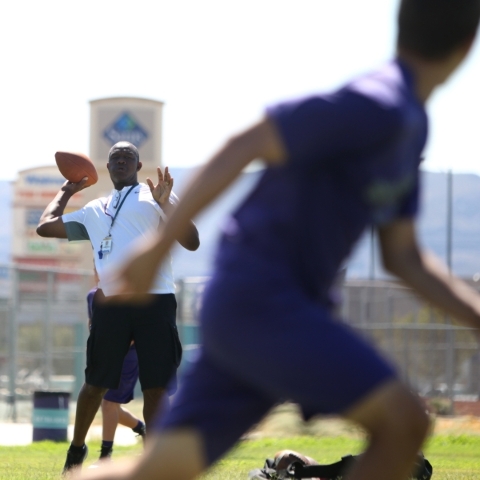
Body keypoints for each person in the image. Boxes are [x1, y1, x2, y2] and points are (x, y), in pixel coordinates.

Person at [76, 1, 480, 480]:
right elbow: (245, 144)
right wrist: (154, 251)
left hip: (257, 308)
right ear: (466, 44)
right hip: (264, 300)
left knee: (164, 467)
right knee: (404, 422)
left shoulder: (408, 126)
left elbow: (403, 255)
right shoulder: (375, 102)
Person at [36, 141, 200, 475]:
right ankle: (76, 451)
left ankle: (153, 461)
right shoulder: (96, 208)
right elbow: (45, 225)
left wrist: (166, 204)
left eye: (128, 157)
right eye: (115, 158)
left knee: (155, 387)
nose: (121, 160)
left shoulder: (157, 196)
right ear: (107, 168)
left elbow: (192, 241)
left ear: (139, 166)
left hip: (155, 300)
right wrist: (68, 189)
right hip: (111, 303)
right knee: (95, 383)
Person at [86, 287, 146, 462]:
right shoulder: (92, 295)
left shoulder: (130, 293)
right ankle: (141, 428)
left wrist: (117, 347)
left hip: (128, 356)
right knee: (107, 406)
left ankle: (105, 456)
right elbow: (92, 324)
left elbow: (136, 329)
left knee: (109, 404)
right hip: (105, 355)